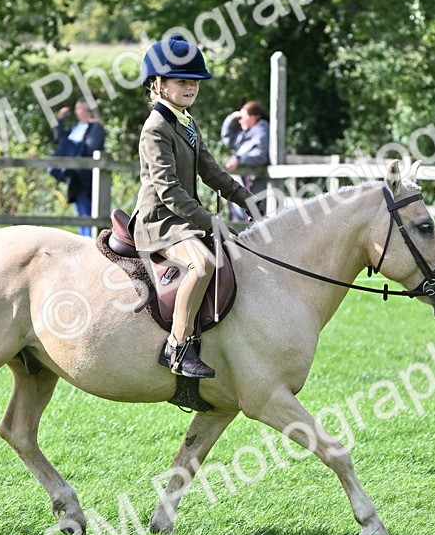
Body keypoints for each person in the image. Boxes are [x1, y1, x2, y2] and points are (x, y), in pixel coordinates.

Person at [131, 34, 260, 379]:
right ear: (157, 84)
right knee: (202, 264)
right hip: (160, 221)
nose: (190, 87)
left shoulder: (185, 121)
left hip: (181, 220)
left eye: (195, 81)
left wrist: (245, 199)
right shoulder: (156, 128)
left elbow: (211, 170)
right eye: (181, 80)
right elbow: (169, 190)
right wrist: (208, 221)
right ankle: (178, 347)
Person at [49, 99, 105, 237]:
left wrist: (72, 147)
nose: (76, 111)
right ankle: (84, 239)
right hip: (73, 176)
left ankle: (91, 242)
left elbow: (91, 148)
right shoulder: (77, 127)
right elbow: (61, 139)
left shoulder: (96, 128)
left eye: (79, 108)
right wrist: (60, 120)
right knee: (80, 211)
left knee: (89, 212)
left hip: (87, 176)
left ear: (87, 110)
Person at [220, 100, 271, 221]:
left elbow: (260, 156)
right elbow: (227, 138)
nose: (240, 120)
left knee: (255, 223)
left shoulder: (261, 130)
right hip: (244, 186)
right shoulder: (246, 133)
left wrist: (239, 159)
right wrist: (231, 118)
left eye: (244, 117)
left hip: (255, 185)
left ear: (254, 117)